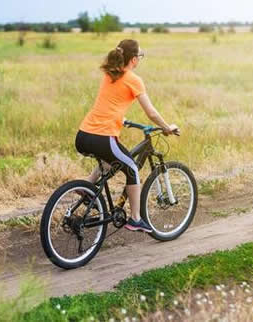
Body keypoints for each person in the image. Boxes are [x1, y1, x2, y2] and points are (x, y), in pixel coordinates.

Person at [75, 39, 179, 233]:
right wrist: (166, 128)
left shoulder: (110, 74)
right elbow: (151, 113)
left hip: (83, 135)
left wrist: (121, 119)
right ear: (133, 59)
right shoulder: (133, 79)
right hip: (102, 136)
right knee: (132, 167)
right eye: (139, 56)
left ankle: (86, 188)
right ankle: (136, 219)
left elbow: (110, 102)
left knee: (108, 162)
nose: (140, 60)